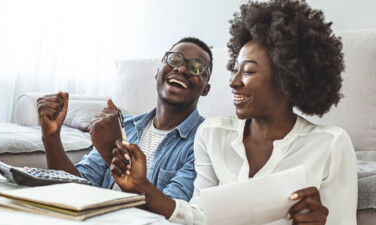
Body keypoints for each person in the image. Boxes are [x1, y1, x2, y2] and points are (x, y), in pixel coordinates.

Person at [109, 0, 357, 224]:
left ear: (287, 78)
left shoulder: (330, 144)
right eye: (234, 69)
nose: (233, 82)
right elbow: (199, 216)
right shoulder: (213, 134)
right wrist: (141, 186)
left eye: (248, 71)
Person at [36, 37, 212, 203]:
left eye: (196, 67)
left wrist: (111, 153)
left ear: (205, 89)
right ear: (157, 72)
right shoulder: (125, 126)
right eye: (174, 59)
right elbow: (75, 186)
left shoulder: (204, 141)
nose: (181, 69)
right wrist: (51, 137)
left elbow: (175, 213)